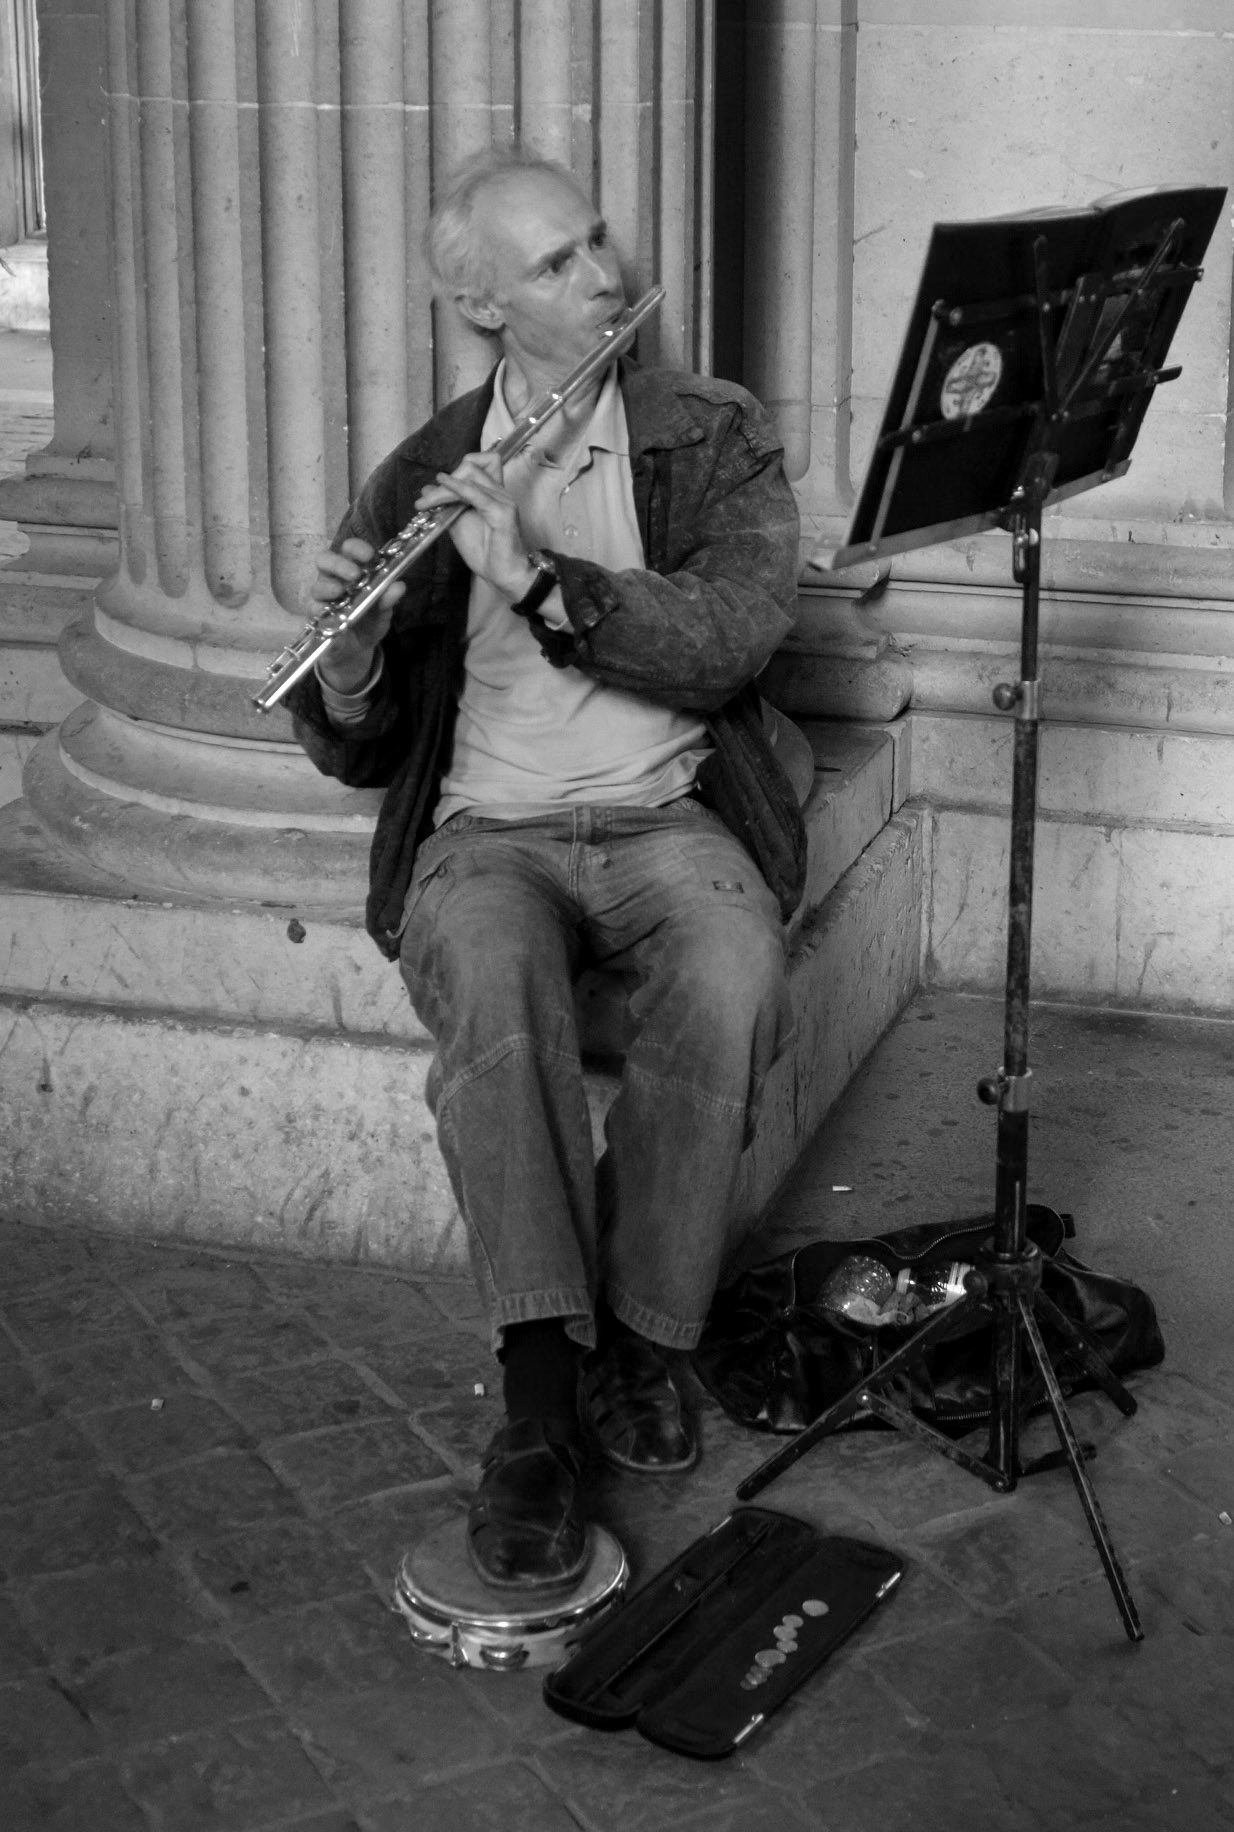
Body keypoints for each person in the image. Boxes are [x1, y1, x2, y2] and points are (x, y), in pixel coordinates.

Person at [288, 146, 808, 1594]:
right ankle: (535, 1404)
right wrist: (349, 661)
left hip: (665, 814)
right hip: (488, 833)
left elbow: (731, 636)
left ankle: (647, 1344)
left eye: (598, 246)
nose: (607, 280)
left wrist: (532, 574)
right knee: (494, 983)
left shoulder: (706, 435)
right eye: (559, 265)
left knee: (730, 966)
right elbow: (364, 749)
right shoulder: (424, 472)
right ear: (478, 305)